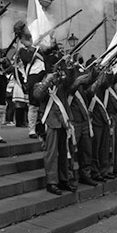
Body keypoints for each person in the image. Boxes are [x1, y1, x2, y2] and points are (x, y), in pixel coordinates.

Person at [32, 59, 76, 194]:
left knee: (64, 153)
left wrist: (69, 67)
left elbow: (70, 81)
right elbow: (37, 95)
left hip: (62, 121)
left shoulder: (61, 85)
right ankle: (51, 182)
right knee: (51, 154)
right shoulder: (41, 85)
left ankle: (64, 179)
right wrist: (47, 81)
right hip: (50, 122)